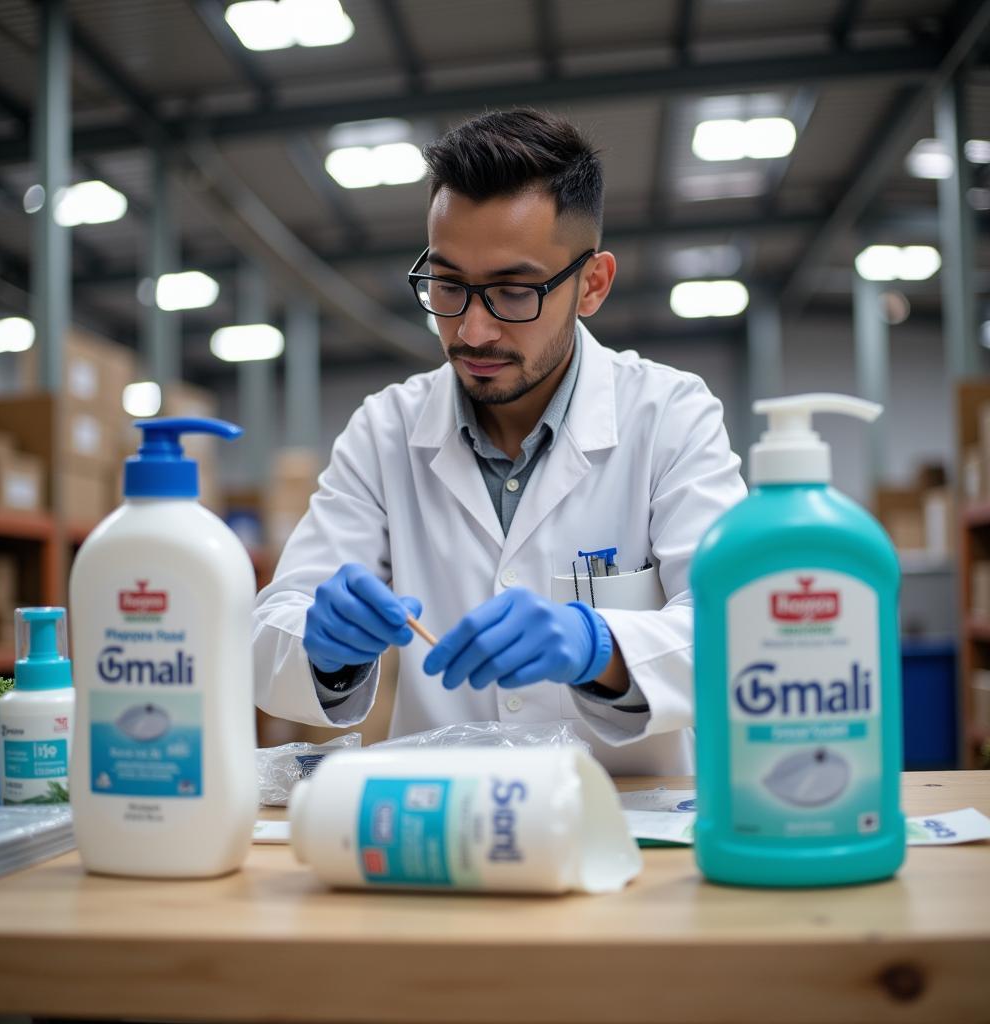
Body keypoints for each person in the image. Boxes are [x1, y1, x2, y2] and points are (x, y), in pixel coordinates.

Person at [252, 108, 746, 774]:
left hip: (629, 824)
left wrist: (599, 645)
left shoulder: (670, 416)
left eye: (514, 292)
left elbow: (740, 632)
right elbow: (272, 627)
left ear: (592, 284)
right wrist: (324, 645)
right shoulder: (385, 428)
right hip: (441, 822)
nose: (473, 331)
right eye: (449, 286)